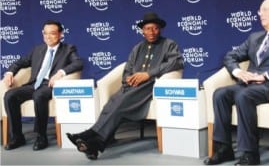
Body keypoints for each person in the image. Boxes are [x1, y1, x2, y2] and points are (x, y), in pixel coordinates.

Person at [67, 12, 184, 160]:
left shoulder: (169, 44)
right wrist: (127, 79)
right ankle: (95, 146)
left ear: (160, 29)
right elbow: (128, 68)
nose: (151, 32)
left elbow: (177, 62)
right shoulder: (138, 47)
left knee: (120, 103)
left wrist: (148, 74)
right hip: (132, 87)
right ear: (143, 30)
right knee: (111, 104)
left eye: (155, 28)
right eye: (148, 28)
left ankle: (88, 134)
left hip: (151, 86)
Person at [203, 0, 269, 165]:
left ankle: (250, 153)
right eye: (260, 10)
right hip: (247, 84)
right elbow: (231, 56)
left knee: (244, 96)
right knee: (220, 94)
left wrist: (265, 76)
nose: (260, 13)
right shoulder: (254, 37)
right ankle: (224, 149)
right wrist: (238, 71)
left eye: (265, 9)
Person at [2, 20, 84, 151]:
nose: (48, 37)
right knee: (10, 95)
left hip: (49, 86)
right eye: (45, 33)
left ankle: (41, 136)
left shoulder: (68, 49)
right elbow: (19, 63)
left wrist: (60, 73)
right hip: (34, 84)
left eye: (52, 33)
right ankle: (17, 137)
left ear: (61, 34)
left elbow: (78, 63)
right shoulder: (37, 49)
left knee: (39, 95)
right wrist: (9, 72)